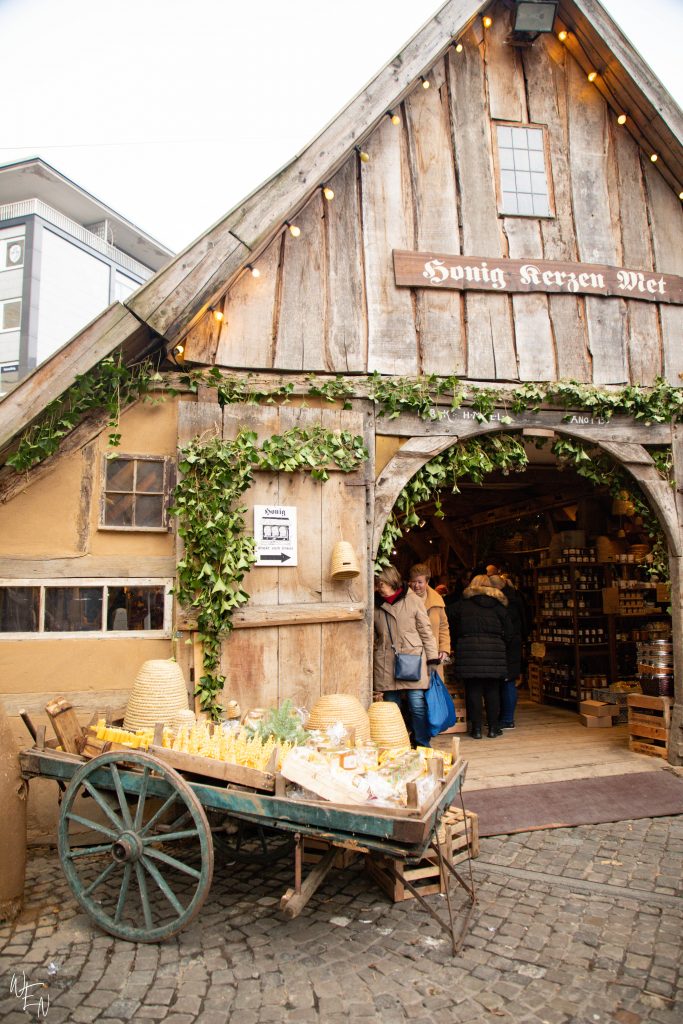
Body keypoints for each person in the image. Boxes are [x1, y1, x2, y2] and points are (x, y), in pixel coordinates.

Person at [374, 564, 440, 749]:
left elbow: (425, 630)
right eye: (377, 584)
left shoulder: (413, 600)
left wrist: (432, 658)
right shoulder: (375, 604)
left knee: (416, 704)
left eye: (382, 584)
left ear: (392, 581)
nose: (379, 588)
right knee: (391, 707)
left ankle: (421, 743)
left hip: (412, 658)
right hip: (386, 660)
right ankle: (398, 743)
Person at [449, 574, 513, 739]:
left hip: (469, 652)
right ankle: (493, 728)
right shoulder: (499, 606)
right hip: (494, 653)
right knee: (492, 691)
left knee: (473, 691)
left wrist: (459, 642)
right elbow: (510, 632)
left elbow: (450, 624)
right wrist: (499, 643)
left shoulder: (462, 606)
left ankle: (476, 729)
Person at [489, 573, 529, 729]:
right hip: (515, 643)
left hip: (508, 645)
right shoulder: (515, 597)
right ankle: (504, 717)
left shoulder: (504, 602)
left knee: (507, 682)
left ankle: (506, 718)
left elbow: (508, 627)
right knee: (508, 681)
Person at [407, 563, 451, 679]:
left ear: (427, 582)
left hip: (433, 654)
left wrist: (444, 649)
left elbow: (443, 626)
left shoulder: (437, 600)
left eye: (420, 582)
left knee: (433, 692)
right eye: (413, 582)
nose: (416, 585)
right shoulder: (403, 600)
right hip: (411, 654)